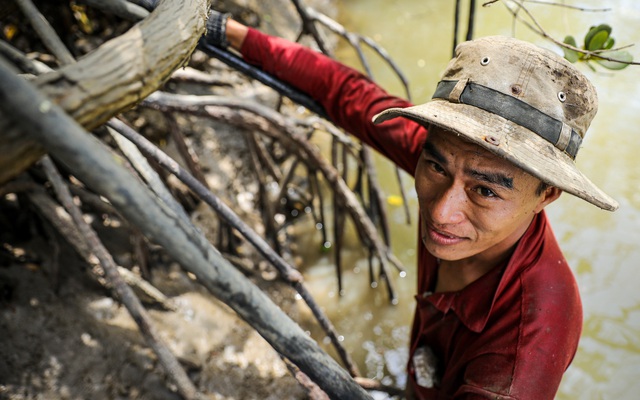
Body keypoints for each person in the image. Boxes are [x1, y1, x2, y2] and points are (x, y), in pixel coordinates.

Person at [205, 9, 619, 400]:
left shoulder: (522, 354)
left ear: (546, 194)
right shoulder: (455, 163)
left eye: (486, 191)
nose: (440, 212)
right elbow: (346, 92)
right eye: (435, 167)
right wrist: (227, 31)